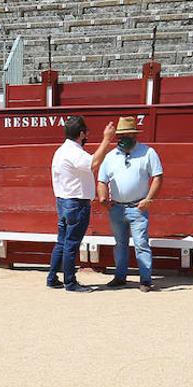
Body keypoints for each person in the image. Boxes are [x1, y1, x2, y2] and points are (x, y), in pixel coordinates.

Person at [47, 115, 116, 292]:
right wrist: (107, 139)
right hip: (75, 203)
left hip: (63, 201)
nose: (87, 136)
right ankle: (70, 282)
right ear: (80, 134)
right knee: (71, 244)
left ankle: (52, 277)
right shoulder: (73, 152)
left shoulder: (61, 151)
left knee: (62, 242)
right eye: (85, 133)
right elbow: (93, 162)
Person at [97, 116, 163, 292]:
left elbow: (158, 177)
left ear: (134, 135)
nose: (121, 139)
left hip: (137, 207)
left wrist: (149, 199)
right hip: (116, 207)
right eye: (120, 136)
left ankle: (146, 280)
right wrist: (103, 199)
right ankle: (120, 276)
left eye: (125, 135)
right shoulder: (110, 156)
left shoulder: (148, 152)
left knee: (141, 243)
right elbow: (102, 180)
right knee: (120, 244)